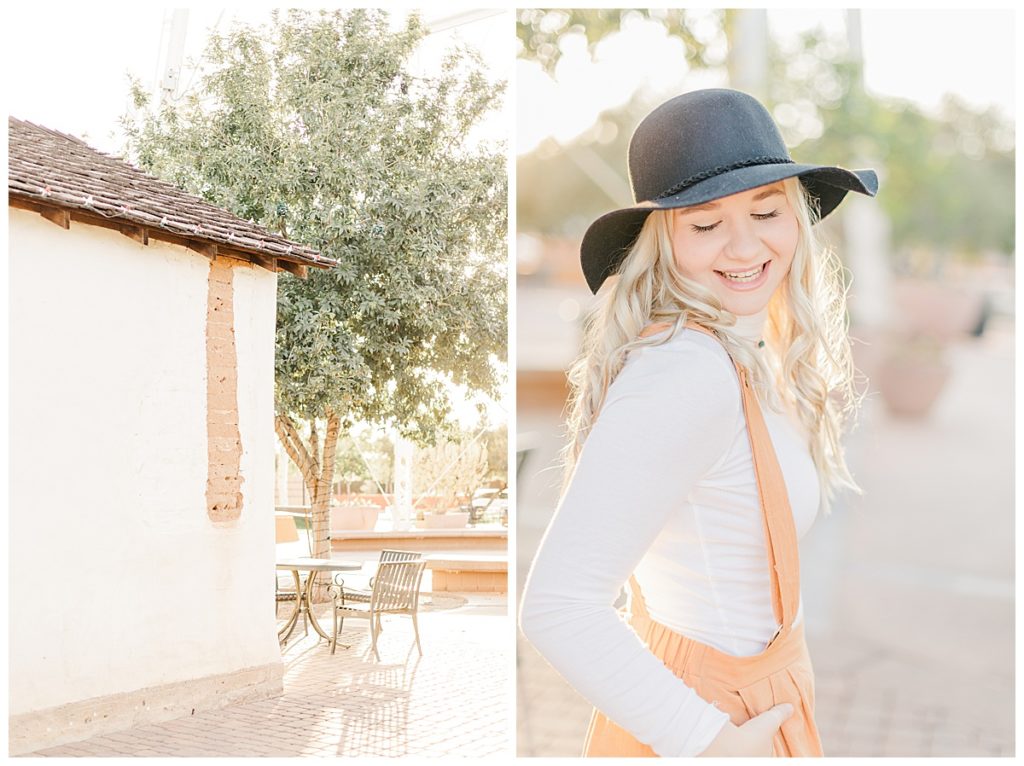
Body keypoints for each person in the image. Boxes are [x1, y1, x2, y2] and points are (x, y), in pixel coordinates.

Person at [518, 88, 879, 757]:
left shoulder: (741, 347)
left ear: (797, 217)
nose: (743, 245)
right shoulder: (686, 373)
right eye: (705, 224)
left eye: (766, 210)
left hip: (748, 699)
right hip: (715, 718)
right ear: (664, 241)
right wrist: (711, 742)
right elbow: (558, 606)